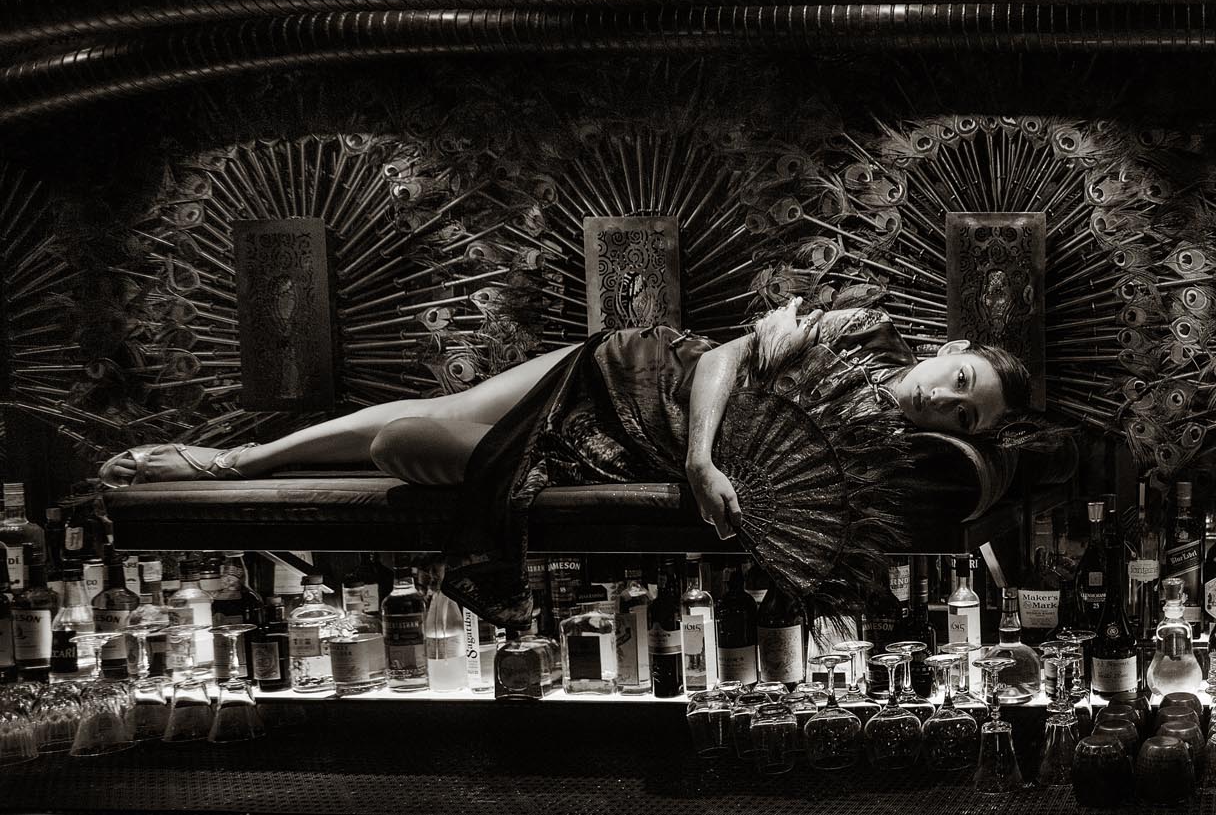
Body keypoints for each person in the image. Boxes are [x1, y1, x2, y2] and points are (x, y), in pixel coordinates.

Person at [97, 301, 1033, 539]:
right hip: (639, 367)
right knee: (437, 410)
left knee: (403, 441)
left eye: (965, 412)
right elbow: (716, 359)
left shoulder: (879, 442)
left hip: (614, 445)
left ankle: (241, 462)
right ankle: (237, 462)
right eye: (958, 376)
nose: (946, 400)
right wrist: (703, 463)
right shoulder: (854, 329)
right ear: (944, 344)